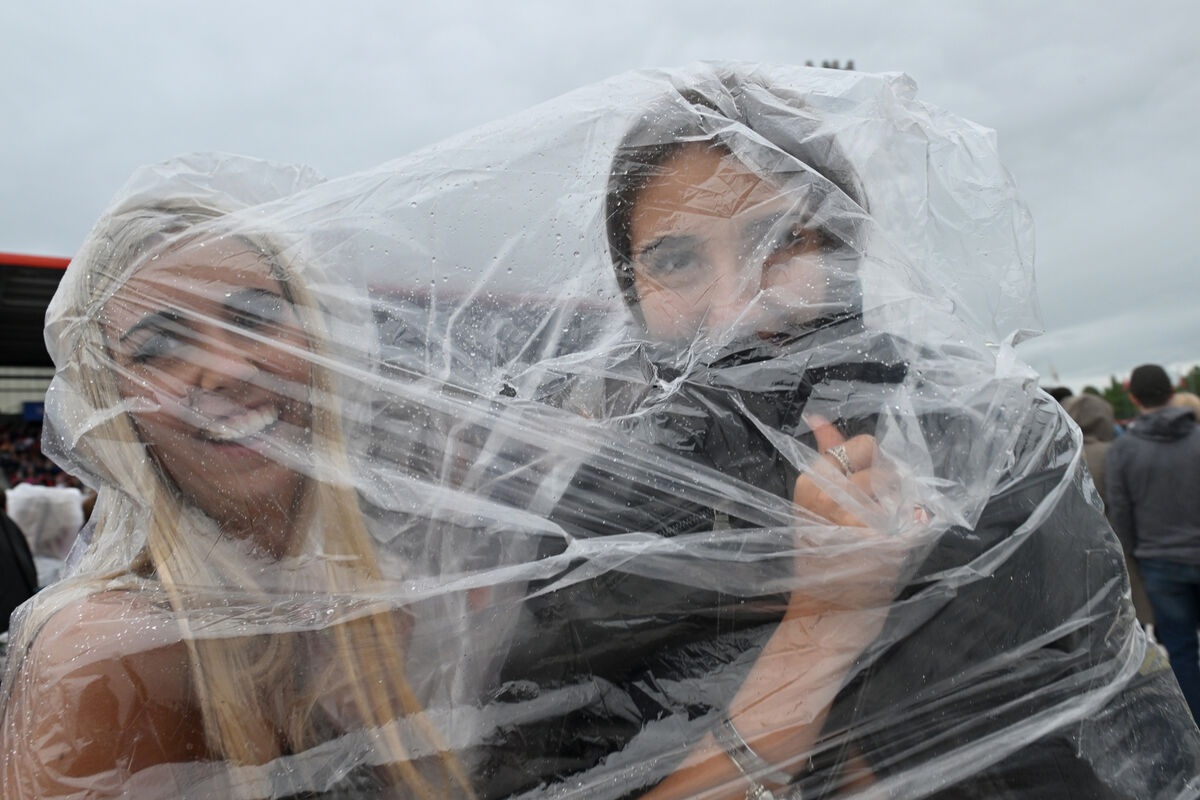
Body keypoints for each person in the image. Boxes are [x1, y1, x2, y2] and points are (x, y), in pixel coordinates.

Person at [449, 66, 1200, 798]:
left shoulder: (990, 454)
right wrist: (823, 625)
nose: (734, 304)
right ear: (630, 288)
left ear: (846, 250)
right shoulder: (603, 517)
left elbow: (1095, 730)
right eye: (675, 260)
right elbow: (533, 771)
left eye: (780, 242)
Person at [0, 155, 472, 799]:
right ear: (110, 406)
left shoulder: (388, 600)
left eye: (253, 314)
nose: (224, 366)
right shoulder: (104, 651)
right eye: (159, 346)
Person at [1108, 363, 1200, 720]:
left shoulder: (1124, 450)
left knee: (1180, 649)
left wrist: (1134, 554)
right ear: (1173, 391)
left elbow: (1121, 512)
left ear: (1133, 397)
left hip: (1159, 563)